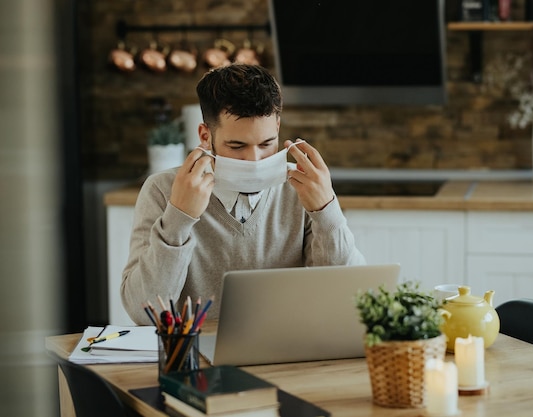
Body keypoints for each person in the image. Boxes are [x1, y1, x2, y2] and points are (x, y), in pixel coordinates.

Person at [121, 64, 366, 324]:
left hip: (285, 354)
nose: (254, 159)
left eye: (266, 144)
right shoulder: (162, 190)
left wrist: (326, 212)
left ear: (278, 127)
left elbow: (350, 299)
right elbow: (142, 314)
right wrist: (178, 219)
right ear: (206, 135)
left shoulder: (303, 185)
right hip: (194, 356)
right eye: (237, 146)